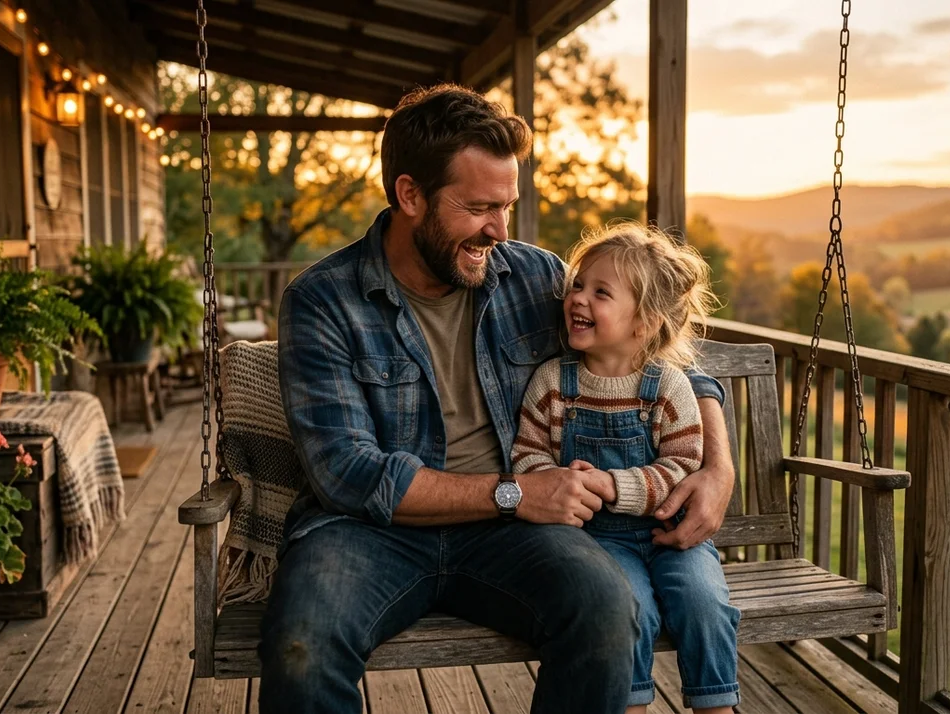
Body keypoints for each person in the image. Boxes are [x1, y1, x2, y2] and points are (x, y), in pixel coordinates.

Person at [261, 83, 736, 714]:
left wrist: (718, 467)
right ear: (410, 196)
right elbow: (348, 474)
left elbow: (660, 352)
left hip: (510, 534)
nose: (500, 230)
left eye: (508, 206)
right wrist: (513, 492)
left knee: (606, 609)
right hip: (370, 532)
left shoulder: (531, 276)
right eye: (481, 207)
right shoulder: (323, 300)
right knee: (301, 644)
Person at [512, 223, 742, 713]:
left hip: (674, 536)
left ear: (643, 322)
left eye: (601, 293)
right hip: (600, 540)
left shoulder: (668, 387)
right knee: (624, 610)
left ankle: (715, 705)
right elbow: (527, 455)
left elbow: (683, 468)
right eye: (578, 285)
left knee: (705, 604)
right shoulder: (553, 382)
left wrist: (611, 485)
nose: (578, 299)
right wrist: (555, 483)